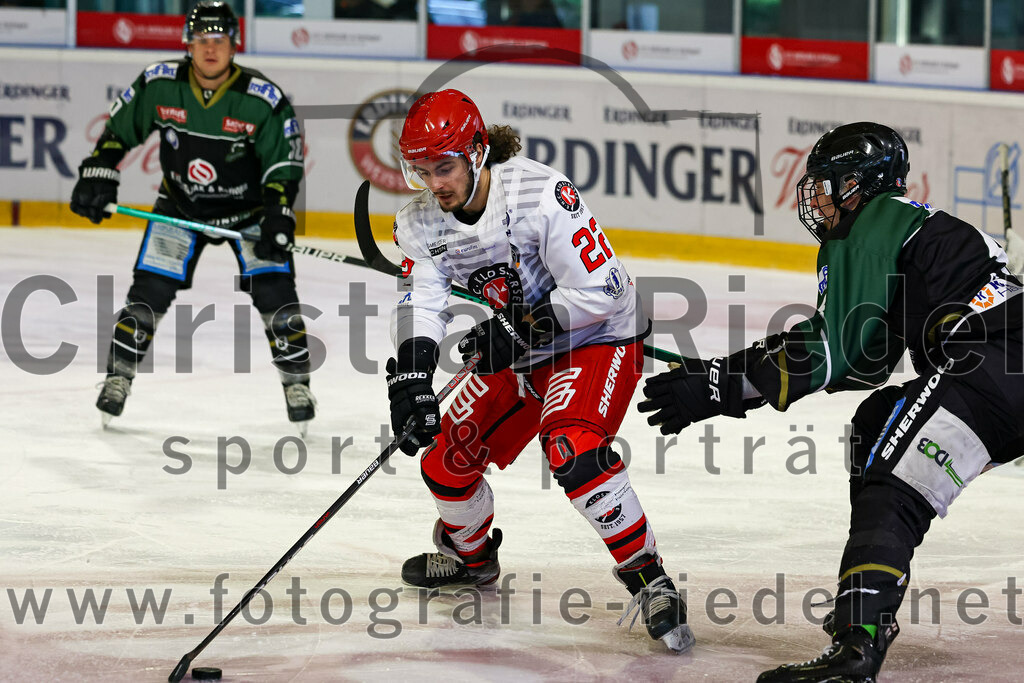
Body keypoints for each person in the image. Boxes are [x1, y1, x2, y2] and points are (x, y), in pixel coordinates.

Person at [638, 122, 1024, 681]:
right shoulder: (914, 227)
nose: (817, 200)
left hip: (990, 366)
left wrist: (720, 384)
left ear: (859, 185)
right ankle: (866, 601)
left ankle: (857, 645)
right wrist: (729, 376)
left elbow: (828, 350)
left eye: (828, 184)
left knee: (894, 484)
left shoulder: (875, 222)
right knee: (877, 424)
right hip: (1000, 369)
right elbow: (866, 360)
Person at [385, 89, 693, 653]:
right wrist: (410, 374)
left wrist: (517, 330)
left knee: (573, 450)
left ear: (477, 152)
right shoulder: (420, 221)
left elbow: (602, 289)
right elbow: (421, 304)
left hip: (596, 337)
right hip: (522, 349)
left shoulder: (540, 194)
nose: (434, 184)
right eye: (421, 171)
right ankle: (472, 560)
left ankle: (650, 579)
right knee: (444, 462)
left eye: (444, 168)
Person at [72, 1, 315, 432]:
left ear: (234, 45)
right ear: (188, 43)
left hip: (249, 213)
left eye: (219, 39)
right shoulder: (160, 84)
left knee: (276, 293)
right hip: (181, 206)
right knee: (148, 291)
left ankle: (297, 384)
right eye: (202, 39)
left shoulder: (262, 99)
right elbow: (118, 132)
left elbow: (283, 164)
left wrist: (279, 214)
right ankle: (117, 377)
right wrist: (99, 171)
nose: (210, 48)